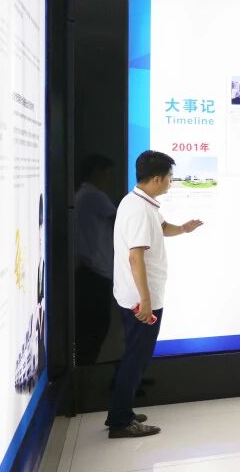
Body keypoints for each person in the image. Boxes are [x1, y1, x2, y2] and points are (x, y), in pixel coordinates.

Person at [107, 150, 202, 438]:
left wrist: (183, 229)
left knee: (136, 356)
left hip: (137, 296)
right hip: (141, 300)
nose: (172, 182)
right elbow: (135, 257)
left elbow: (161, 228)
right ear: (157, 179)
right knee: (137, 358)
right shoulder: (138, 210)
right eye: (170, 177)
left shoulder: (141, 202)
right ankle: (121, 421)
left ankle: (121, 411)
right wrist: (145, 301)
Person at [75, 154, 118, 366]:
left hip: (89, 270)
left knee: (92, 328)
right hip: (95, 272)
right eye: (107, 174)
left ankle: (86, 373)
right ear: (96, 172)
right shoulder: (94, 195)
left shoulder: (83, 194)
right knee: (96, 328)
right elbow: (120, 221)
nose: (109, 180)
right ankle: (86, 375)